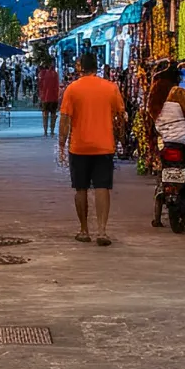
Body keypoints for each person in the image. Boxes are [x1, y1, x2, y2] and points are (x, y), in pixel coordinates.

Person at [58, 50, 127, 245]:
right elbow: (120, 117)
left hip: (79, 146)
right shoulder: (110, 88)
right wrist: (121, 139)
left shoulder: (72, 89)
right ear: (96, 67)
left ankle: (83, 230)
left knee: (81, 189)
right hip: (104, 145)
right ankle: (102, 231)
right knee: (102, 187)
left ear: (80, 67)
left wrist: (61, 146)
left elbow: (65, 120)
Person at [36, 58, 62, 136]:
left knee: (45, 115)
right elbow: (57, 86)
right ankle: (51, 130)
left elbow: (39, 85)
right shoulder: (55, 74)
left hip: (46, 97)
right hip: (52, 97)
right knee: (52, 115)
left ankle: (46, 131)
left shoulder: (42, 73)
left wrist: (40, 96)